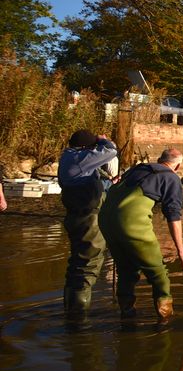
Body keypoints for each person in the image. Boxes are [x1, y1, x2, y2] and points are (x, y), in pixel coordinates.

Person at [98, 148, 183, 321]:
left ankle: (127, 315)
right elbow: (173, 216)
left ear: (159, 160)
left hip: (105, 219)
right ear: (178, 166)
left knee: (126, 270)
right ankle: (165, 320)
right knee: (159, 274)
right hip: (130, 222)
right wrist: (181, 251)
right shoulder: (171, 177)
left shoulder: (139, 168)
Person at [57, 129, 118, 315]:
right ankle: (78, 316)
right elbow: (111, 151)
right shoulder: (79, 158)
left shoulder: (69, 157)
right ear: (85, 147)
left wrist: (109, 183)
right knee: (88, 265)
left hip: (76, 217)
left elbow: (87, 179)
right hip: (88, 220)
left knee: (76, 264)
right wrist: (102, 141)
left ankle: (70, 311)